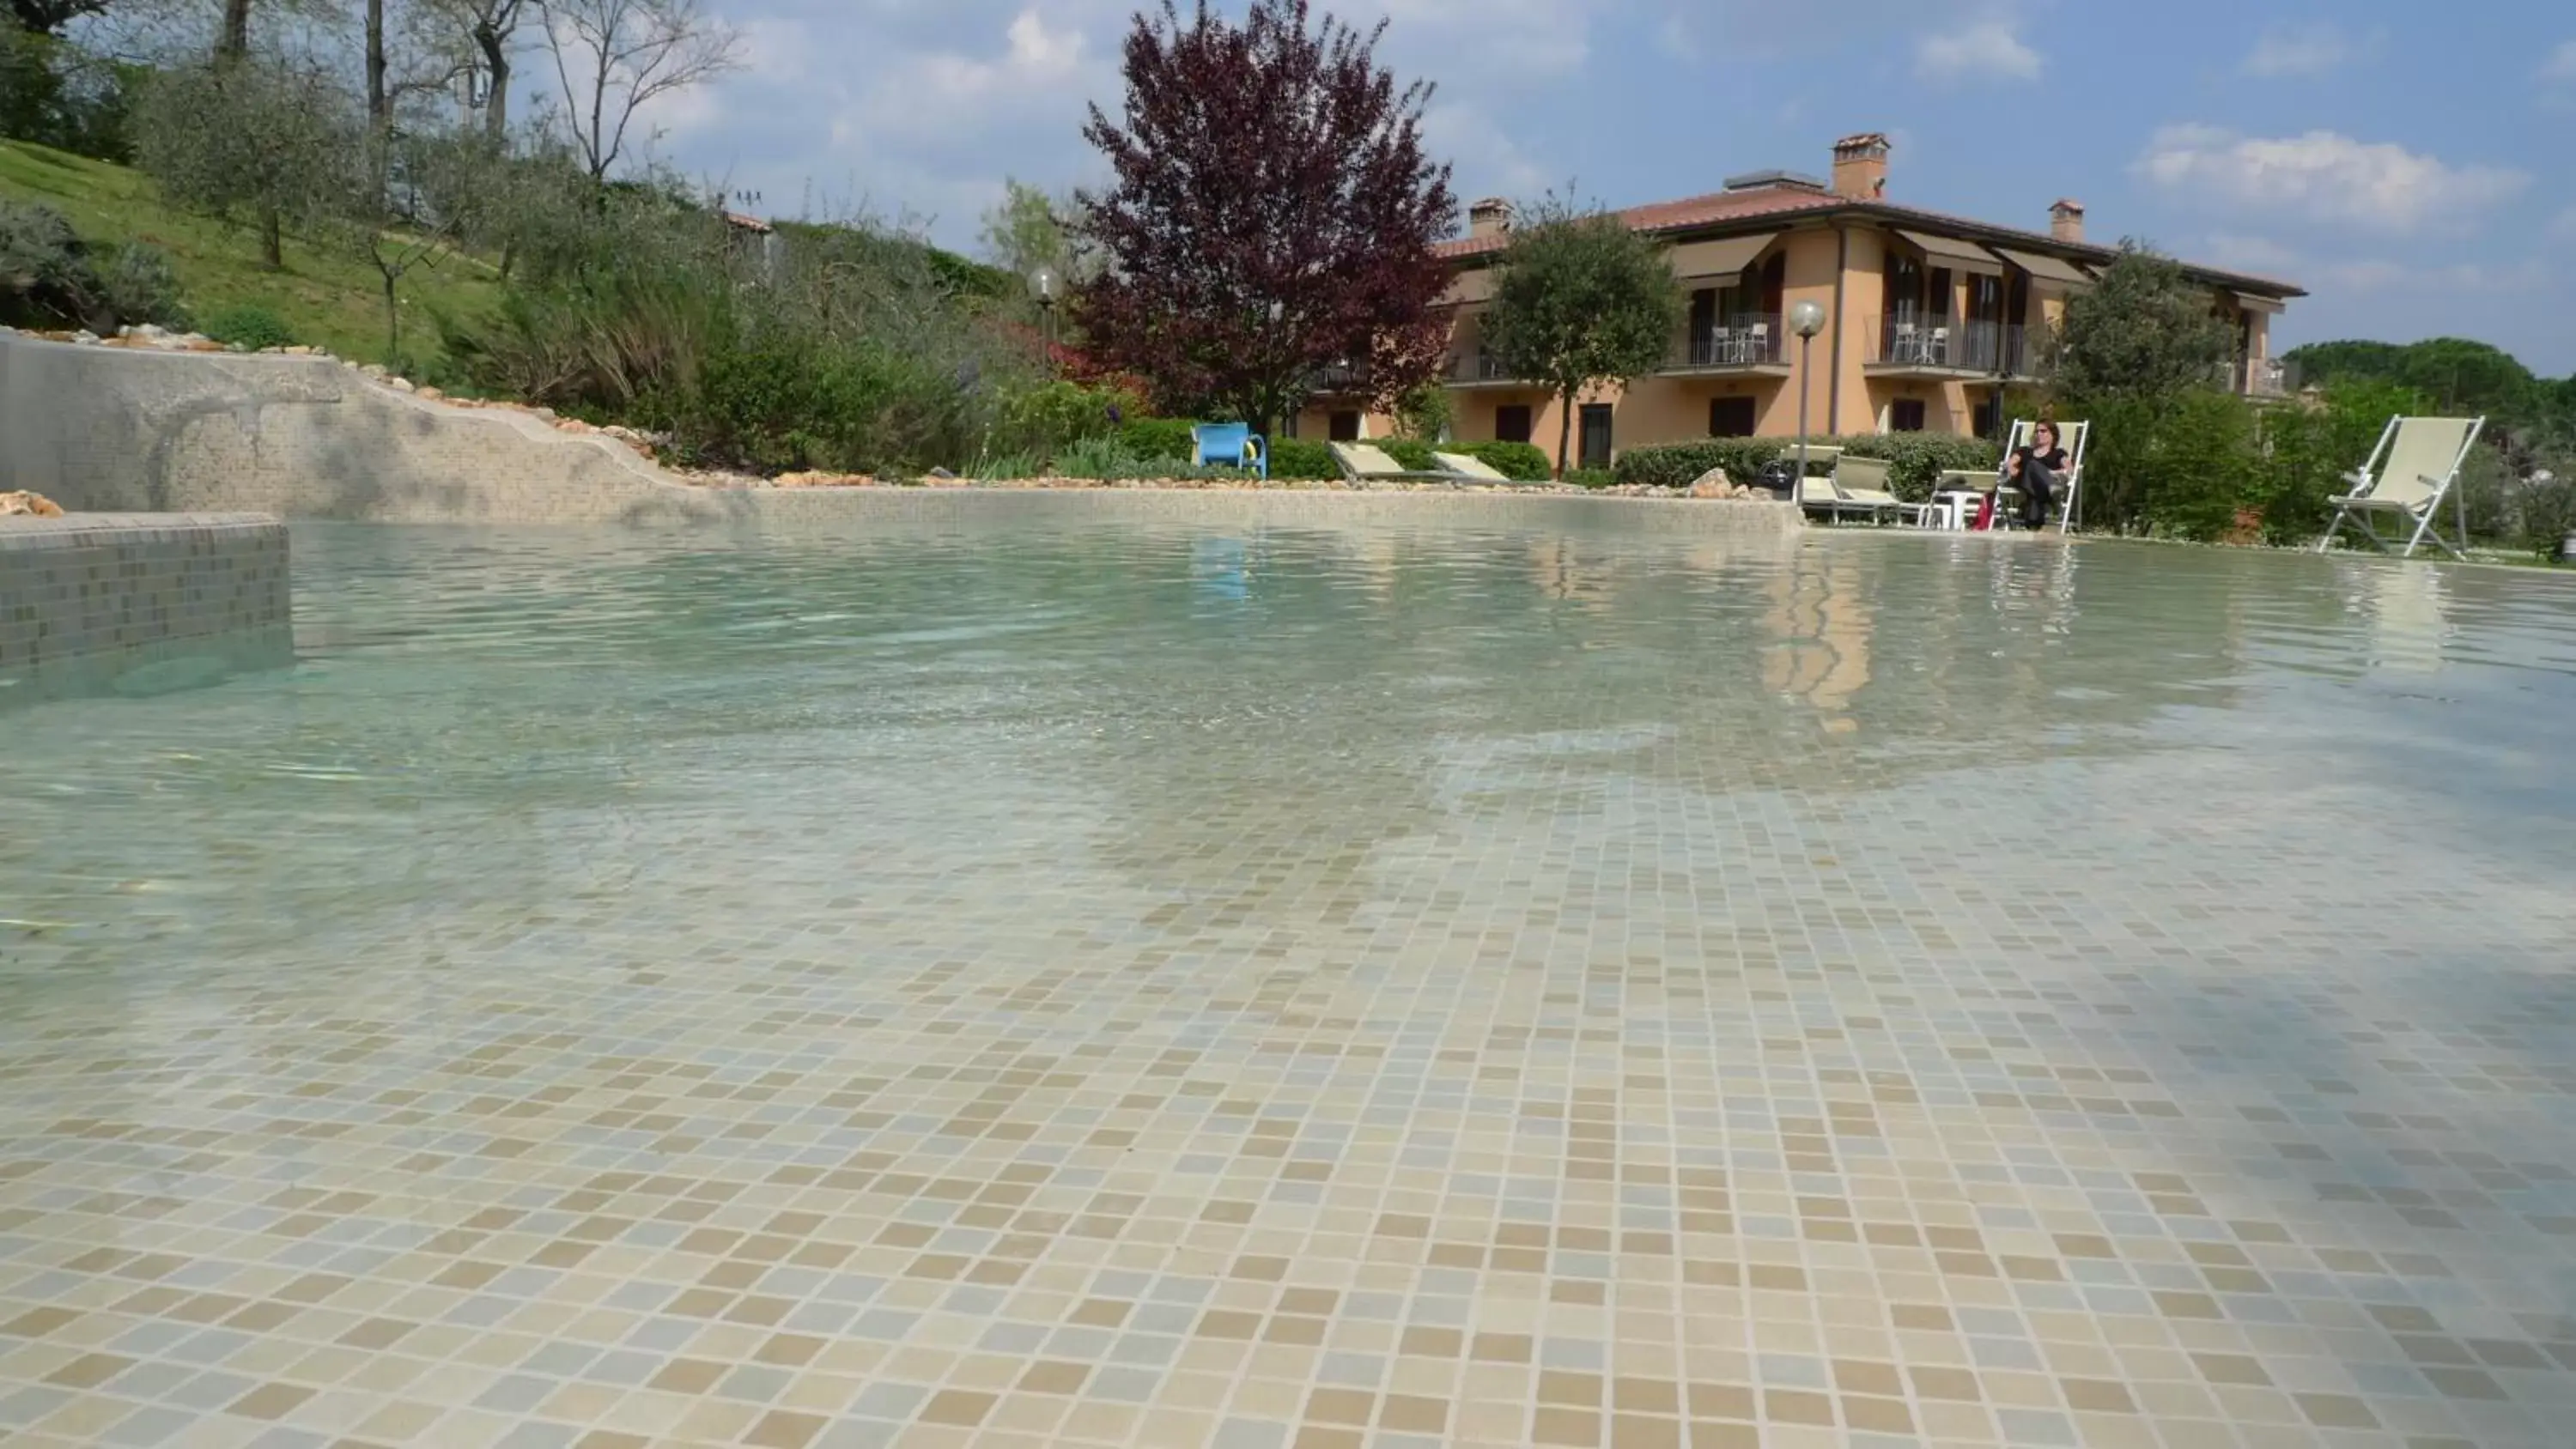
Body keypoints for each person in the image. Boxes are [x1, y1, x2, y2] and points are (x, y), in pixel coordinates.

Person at [2002, 421, 2069, 530]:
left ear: (2053, 434)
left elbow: (2068, 469)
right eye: (2037, 431)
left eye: (2043, 431)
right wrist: (2011, 468)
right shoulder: (2025, 451)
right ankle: (2053, 496)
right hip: (2025, 482)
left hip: (2037, 489)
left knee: (2035, 500)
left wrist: (2049, 473)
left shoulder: (2058, 453)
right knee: (2032, 464)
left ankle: (2033, 524)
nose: (2039, 434)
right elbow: (2009, 463)